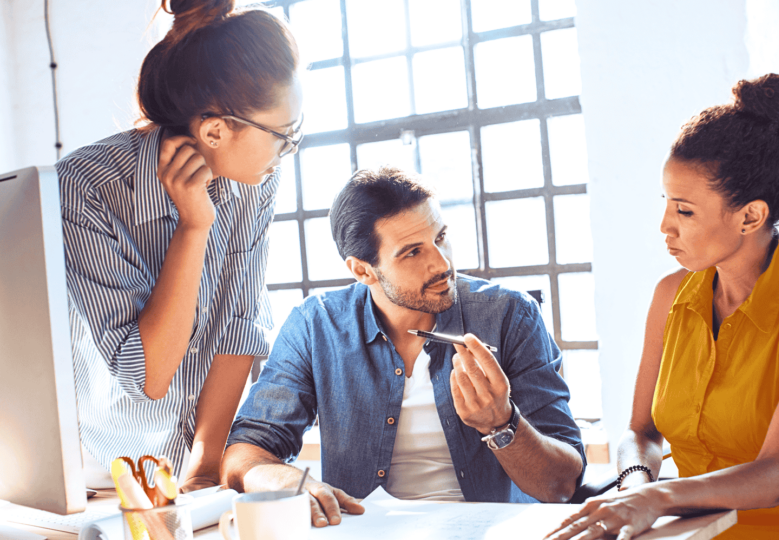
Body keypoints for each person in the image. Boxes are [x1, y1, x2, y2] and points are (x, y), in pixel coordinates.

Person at [547, 74, 779, 540]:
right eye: (667, 204)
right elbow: (641, 433)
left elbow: (777, 475)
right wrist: (636, 487)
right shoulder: (670, 294)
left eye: (685, 210)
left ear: (750, 216)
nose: (664, 226)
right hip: (691, 531)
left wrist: (658, 498)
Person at [223, 166, 587, 527]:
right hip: (364, 532)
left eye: (441, 237)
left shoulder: (510, 315)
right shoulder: (315, 325)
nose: (442, 263)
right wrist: (282, 480)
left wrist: (501, 423)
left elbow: (561, 487)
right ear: (363, 271)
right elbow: (242, 456)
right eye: (412, 252)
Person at [56, 0, 302, 492]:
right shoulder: (86, 187)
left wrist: (208, 465)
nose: (288, 152)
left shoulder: (253, 180)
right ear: (215, 131)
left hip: (195, 466)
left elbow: (239, 324)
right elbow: (148, 374)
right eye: (284, 136)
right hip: (106, 473)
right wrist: (193, 227)